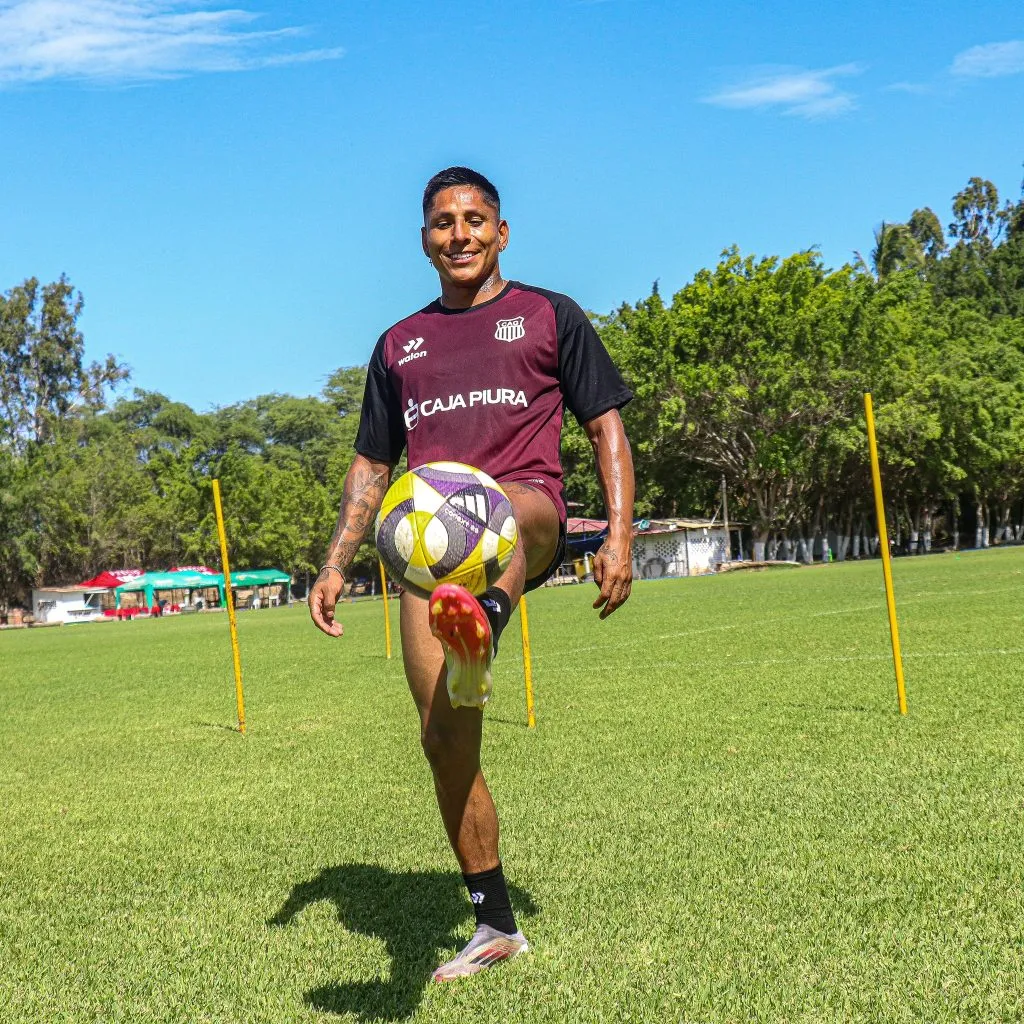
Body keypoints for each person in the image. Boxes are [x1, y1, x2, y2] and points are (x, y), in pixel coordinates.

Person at [309, 166, 635, 981]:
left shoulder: (550, 316)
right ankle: (495, 926)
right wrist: (335, 563)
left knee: (502, 507)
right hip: (428, 564)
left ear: (502, 233)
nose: (459, 235)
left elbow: (606, 430)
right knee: (443, 739)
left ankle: (482, 619)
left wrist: (620, 535)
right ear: (424, 240)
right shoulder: (399, 345)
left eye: (475, 219)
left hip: (530, 515)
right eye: (443, 223)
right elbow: (371, 466)